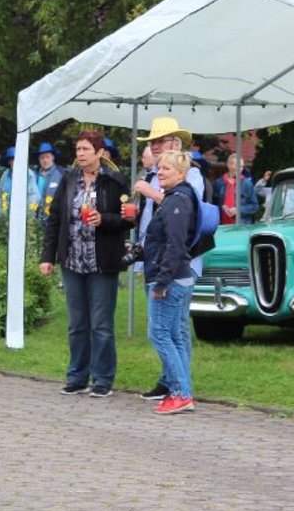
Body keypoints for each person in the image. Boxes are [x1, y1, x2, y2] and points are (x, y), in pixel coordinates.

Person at [39, 131, 131, 397]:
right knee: (77, 323)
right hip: (72, 262)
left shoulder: (114, 181)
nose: (80, 153)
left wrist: (105, 220)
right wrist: (47, 257)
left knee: (101, 324)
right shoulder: (68, 180)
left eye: (86, 149)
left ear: (100, 152)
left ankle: (102, 379)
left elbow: (128, 220)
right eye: (78, 149)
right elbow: (54, 219)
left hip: (102, 262)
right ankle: (77, 376)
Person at [132, 116, 206, 401]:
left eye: (159, 141)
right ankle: (171, 381)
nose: (154, 146)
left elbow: (186, 207)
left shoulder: (191, 174)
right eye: (151, 142)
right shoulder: (154, 173)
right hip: (156, 261)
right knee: (165, 327)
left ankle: (180, 386)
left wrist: (149, 191)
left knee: (173, 329)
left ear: (175, 143)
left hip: (176, 264)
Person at [144, 149, 199, 414]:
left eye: (166, 169)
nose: (160, 173)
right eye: (159, 168)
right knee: (175, 336)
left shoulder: (178, 201)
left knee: (160, 334)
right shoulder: (176, 198)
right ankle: (183, 392)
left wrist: (162, 282)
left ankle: (180, 392)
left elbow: (175, 246)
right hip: (179, 277)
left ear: (180, 173)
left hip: (172, 279)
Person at [213, 153, 259, 225]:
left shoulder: (247, 184)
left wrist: (239, 210)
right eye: (237, 166)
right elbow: (214, 205)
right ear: (229, 165)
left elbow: (254, 206)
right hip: (221, 227)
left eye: (241, 167)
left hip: (241, 226)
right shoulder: (218, 183)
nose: (240, 169)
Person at [0, 146, 38, 215]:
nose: (15, 162)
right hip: (7, 217)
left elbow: (33, 197)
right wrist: (1, 218)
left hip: (23, 217)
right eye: (13, 160)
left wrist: (29, 217)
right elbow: (1, 198)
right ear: (9, 162)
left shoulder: (29, 175)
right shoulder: (5, 176)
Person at [34, 142, 63, 225]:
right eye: (42, 157)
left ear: (53, 157)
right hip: (35, 219)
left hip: (53, 220)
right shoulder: (33, 175)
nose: (45, 160)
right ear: (39, 159)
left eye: (47, 157)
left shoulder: (61, 174)